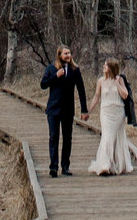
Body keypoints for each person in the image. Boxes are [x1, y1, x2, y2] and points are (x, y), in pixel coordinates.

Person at [39, 47, 86, 177]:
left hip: (67, 109)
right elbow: (43, 84)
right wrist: (55, 76)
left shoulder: (74, 70)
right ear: (59, 55)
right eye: (65, 53)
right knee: (54, 137)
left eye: (69, 53)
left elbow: (81, 90)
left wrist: (84, 109)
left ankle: (65, 166)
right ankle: (53, 167)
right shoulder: (51, 68)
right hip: (53, 109)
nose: (68, 55)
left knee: (67, 138)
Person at [87, 58, 135, 176]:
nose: (103, 67)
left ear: (112, 68)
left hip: (118, 112)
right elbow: (96, 97)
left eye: (106, 65)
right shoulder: (100, 81)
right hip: (106, 112)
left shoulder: (120, 79)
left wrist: (117, 83)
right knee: (107, 136)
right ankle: (104, 164)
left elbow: (125, 95)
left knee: (117, 137)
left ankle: (117, 163)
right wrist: (88, 111)